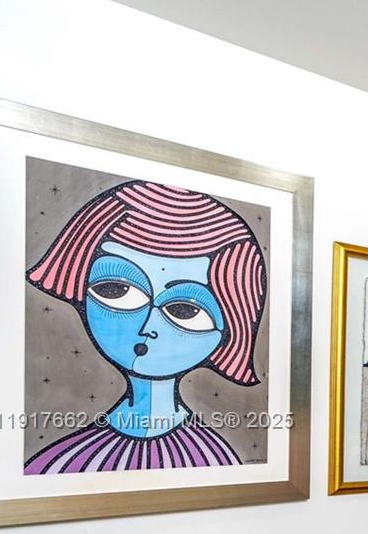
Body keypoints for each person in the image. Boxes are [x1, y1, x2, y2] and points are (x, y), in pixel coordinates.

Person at [24, 180, 266, 473]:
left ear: (232, 326)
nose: (147, 326)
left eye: (184, 310)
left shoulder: (213, 461)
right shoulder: (64, 462)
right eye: (116, 290)